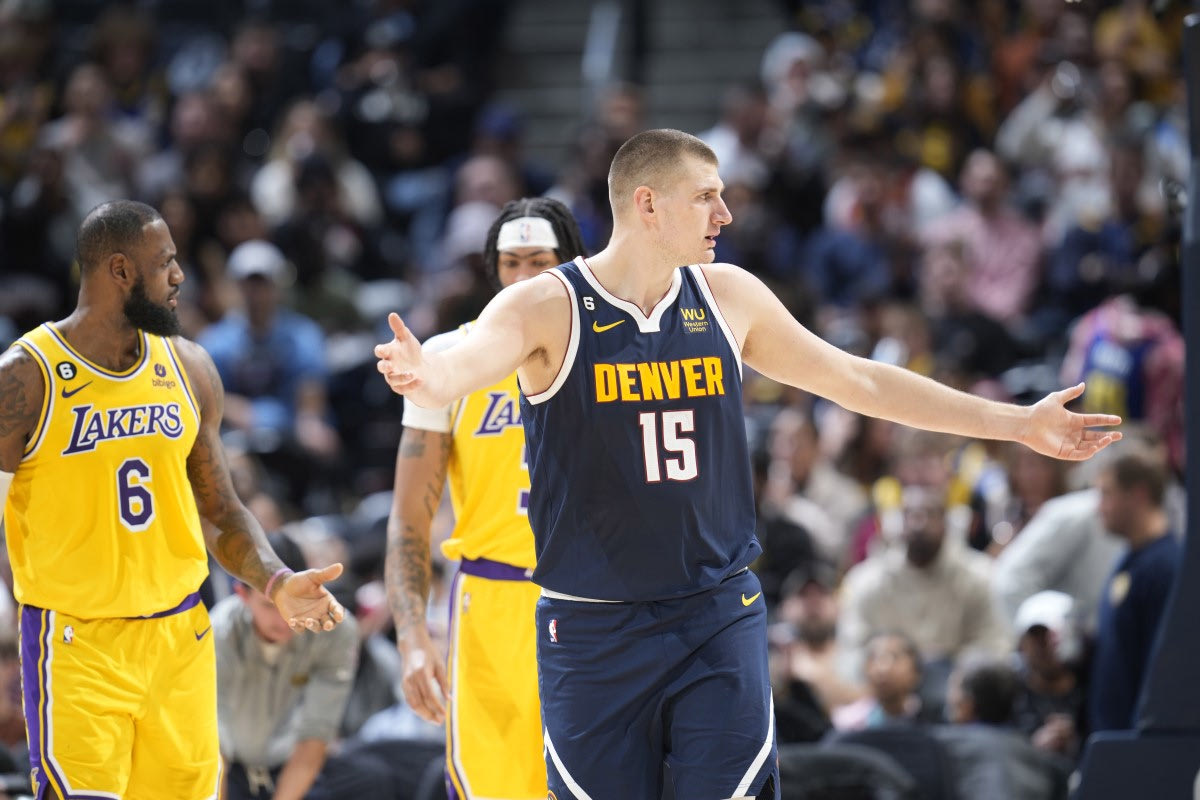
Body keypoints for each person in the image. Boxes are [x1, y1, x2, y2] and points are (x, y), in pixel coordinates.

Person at [374, 129, 1121, 800]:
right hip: (592, 627)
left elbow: (859, 381)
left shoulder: (728, 296)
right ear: (648, 204)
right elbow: (458, 369)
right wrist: (423, 375)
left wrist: (1016, 424)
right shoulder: (546, 306)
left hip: (713, 613)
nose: (725, 214)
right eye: (707, 196)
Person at [0, 200, 346, 800]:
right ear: (120, 270)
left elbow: (220, 509)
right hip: (79, 647)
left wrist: (276, 581)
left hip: (180, 639)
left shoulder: (189, 367)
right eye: (165, 262)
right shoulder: (26, 377)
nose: (180, 276)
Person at [385, 196, 587, 800]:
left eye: (540, 261)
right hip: (490, 603)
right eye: (511, 263)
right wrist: (412, 638)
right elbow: (408, 519)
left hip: (593, 601)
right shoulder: (443, 359)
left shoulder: (608, 348)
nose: (523, 277)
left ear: (570, 263)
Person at [214, 531, 378, 800]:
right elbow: (212, 744)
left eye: (291, 606)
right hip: (230, 767)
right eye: (269, 606)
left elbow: (316, 733)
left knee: (373, 779)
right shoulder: (220, 631)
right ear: (242, 595)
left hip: (295, 763)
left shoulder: (335, 630)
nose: (284, 620)